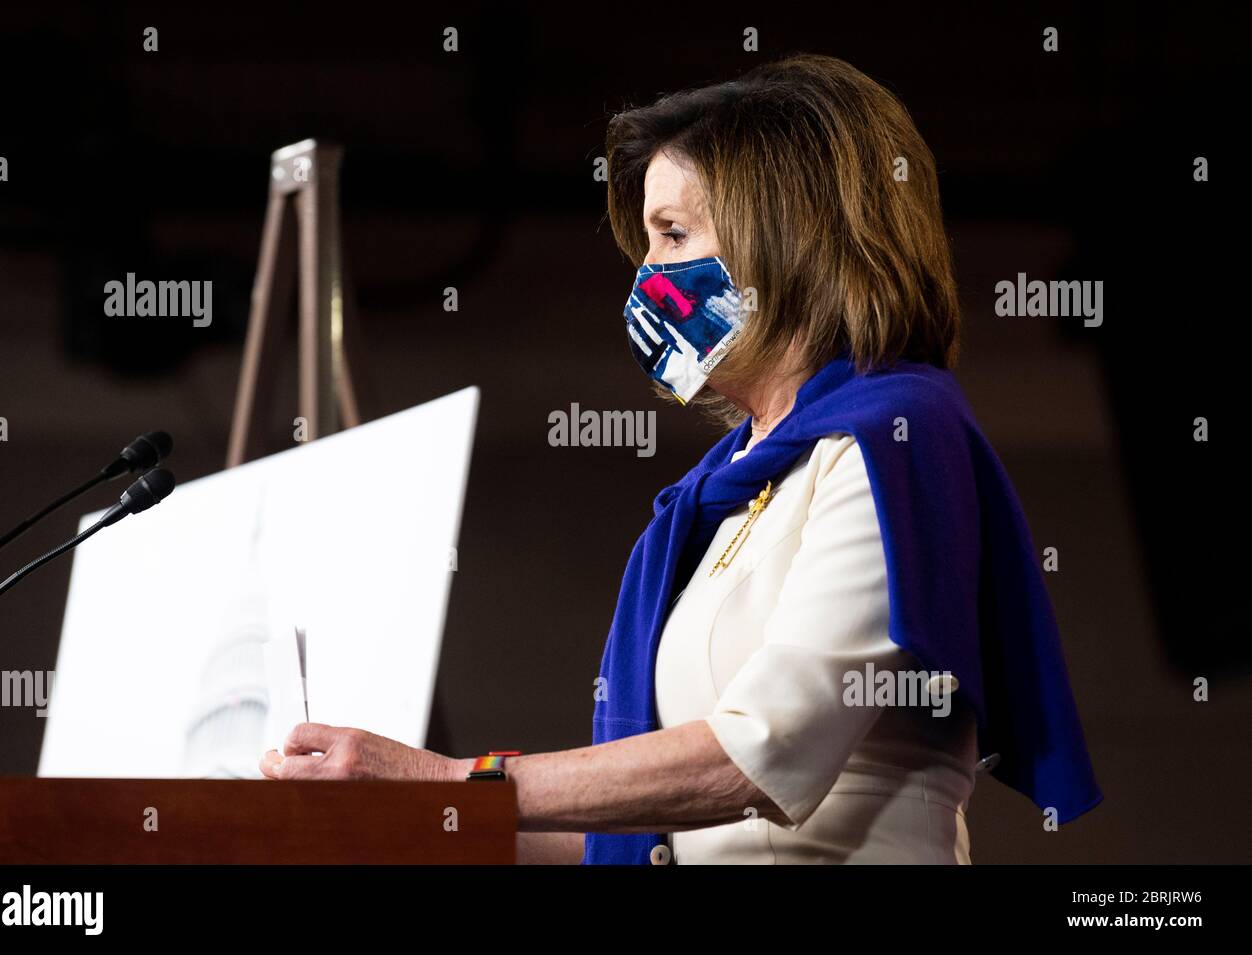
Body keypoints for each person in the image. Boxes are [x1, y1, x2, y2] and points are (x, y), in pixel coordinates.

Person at [260, 53, 1102, 865]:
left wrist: (455, 780)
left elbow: (754, 756)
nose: (648, 276)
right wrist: (412, 821)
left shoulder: (895, 442)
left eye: (672, 235)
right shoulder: (733, 490)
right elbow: (641, 838)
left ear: (790, 238)